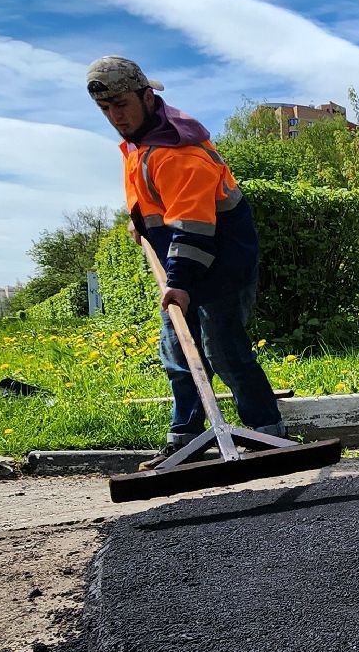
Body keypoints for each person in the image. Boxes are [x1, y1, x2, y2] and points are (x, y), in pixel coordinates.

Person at [85, 56, 284, 469]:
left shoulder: (178, 152)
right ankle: (185, 438)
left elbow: (195, 229)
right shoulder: (141, 141)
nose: (115, 116)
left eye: (121, 104)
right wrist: (140, 219)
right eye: (105, 109)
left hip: (222, 263)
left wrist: (179, 281)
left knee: (223, 350)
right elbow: (160, 198)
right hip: (183, 261)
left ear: (146, 97)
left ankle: (267, 431)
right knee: (177, 352)